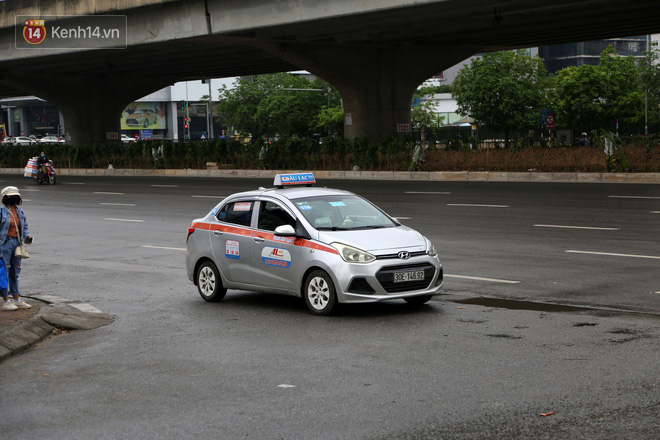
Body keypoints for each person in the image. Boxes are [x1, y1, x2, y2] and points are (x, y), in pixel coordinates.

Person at [1, 186, 33, 311]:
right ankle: (6, 299)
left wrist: (27, 236)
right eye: (10, 196)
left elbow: (24, 227)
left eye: (15, 196)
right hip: (4, 244)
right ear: (5, 198)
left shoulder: (20, 212)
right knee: (5, 272)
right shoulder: (1, 212)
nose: (13, 198)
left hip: (17, 244)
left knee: (15, 271)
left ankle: (16, 298)